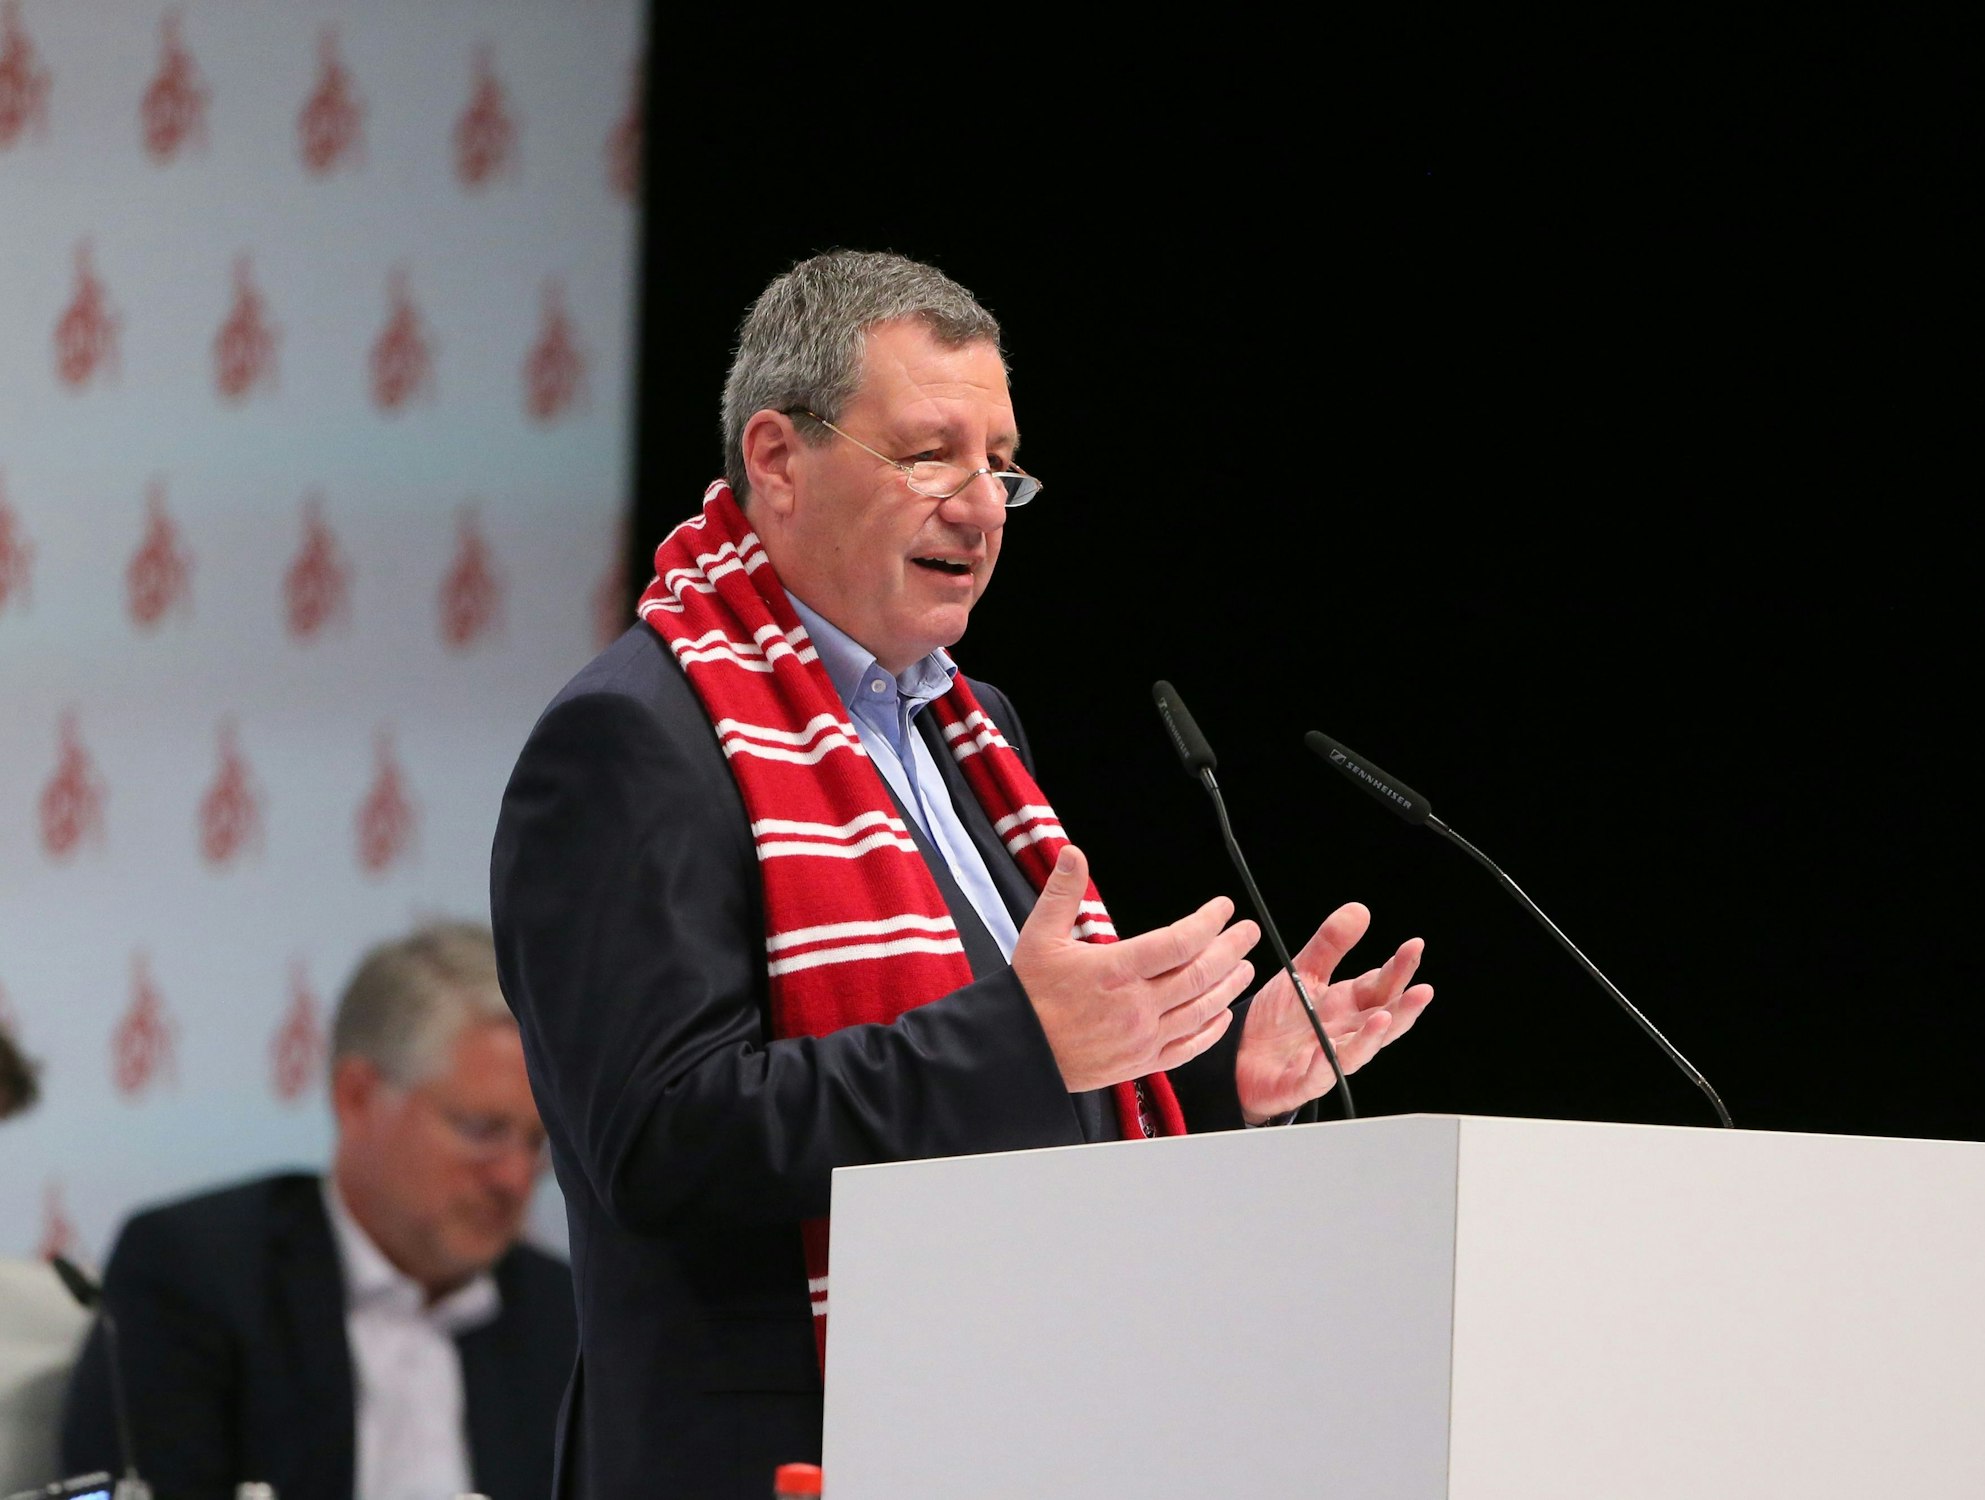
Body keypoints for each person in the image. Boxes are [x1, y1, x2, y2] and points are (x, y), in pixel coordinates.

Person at [491, 250, 1434, 1497]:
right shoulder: (633, 740)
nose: (981, 505)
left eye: (1001, 465)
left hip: (1003, 1427)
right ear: (774, 459)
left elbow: (995, 1092)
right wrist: (1032, 1041)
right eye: (929, 454)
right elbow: (662, 1142)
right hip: (762, 1455)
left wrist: (1200, 1076)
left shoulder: (971, 730)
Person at [61, 921, 574, 1500]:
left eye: (538, 1142)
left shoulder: (564, 1312)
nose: (514, 1177)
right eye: (482, 1130)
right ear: (356, 1097)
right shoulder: (195, 1274)